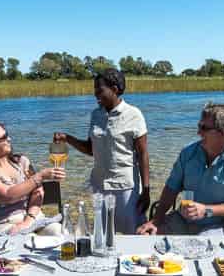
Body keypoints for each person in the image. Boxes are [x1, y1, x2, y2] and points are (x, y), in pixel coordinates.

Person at [53, 68, 151, 234]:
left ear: (114, 89)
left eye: (99, 89)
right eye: (95, 89)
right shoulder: (96, 115)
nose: (95, 94)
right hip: (100, 185)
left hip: (125, 187)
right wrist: (67, 138)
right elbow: (91, 149)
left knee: (134, 235)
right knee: (104, 236)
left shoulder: (134, 115)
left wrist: (146, 190)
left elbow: (143, 154)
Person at [137, 103, 224, 237]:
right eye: (199, 126)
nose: (198, 132)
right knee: (145, 236)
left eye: (204, 128)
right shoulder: (188, 153)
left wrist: (207, 210)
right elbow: (171, 188)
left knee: (203, 249)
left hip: (217, 225)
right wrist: (156, 220)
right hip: (182, 219)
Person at [0, 122, 66, 236]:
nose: (9, 139)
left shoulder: (22, 161)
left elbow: (38, 191)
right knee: (26, 239)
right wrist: (40, 176)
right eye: (3, 138)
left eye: (7, 135)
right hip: (7, 224)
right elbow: (8, 196)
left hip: (35, 218)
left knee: (60, 231)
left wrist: (28, 220)